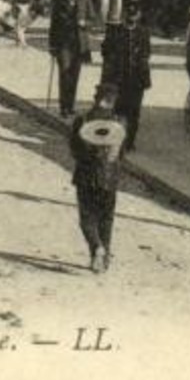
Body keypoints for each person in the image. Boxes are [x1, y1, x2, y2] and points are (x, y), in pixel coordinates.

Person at [69, 85, 126, 273]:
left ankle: (96, 249)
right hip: (109, 178)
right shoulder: (120, 123)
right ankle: (105, 258)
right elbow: (121, 153)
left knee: (87, 217)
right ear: (113, 101)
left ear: (96, 98)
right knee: (106, 218)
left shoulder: (82, 120)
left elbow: (74, 149)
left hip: (86, 176)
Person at [99, 5, 152, 152]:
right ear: (124, 16)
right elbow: (105, 51)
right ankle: (118, 139)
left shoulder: (143, 33)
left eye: (134, 16)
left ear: (138, 16)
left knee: (134, 111)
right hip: (118, 78)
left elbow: (147, 53)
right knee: (118, 109)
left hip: (137, 78)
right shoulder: (116, 32)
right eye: (129, 16)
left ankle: (130, 141)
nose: (131, 19)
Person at [49, 0, 88, 117]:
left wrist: (85, 22)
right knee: (64, 73)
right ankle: (63, 107)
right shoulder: (60, 0)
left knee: (74, 74)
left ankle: (71, 105)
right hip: (63, 42)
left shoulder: (84, 0)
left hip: (79, 42)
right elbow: (53, 24)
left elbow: (94, 18)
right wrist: (52, 45)